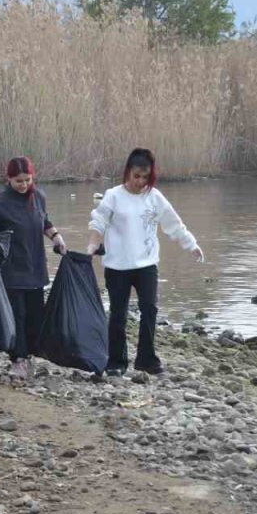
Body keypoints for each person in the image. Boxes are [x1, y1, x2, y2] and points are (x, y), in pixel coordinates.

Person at [87, 148, 204, 377]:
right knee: (118, 313)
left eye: (145, 177)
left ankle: (146, 360)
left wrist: (191, 244)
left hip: (147, 265)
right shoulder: (113, 195)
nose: (140, 182)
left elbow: (173, 223)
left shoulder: (154, 197)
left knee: (149, 309)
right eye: (136, 176)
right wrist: (92, 247)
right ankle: (116, 362)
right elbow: (98, 222)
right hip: (117, 266)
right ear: (128, 173)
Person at [0, 156, 66, 381]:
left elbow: (44, 221)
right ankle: (17, 359)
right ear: (8, 179)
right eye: (18, 181)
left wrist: (56, 237)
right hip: (11, 269)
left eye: (27, 180)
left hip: (35, 265)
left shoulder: (38, 197)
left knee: (35, 315)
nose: (23, 185)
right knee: (16, 314)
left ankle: (29, 355)